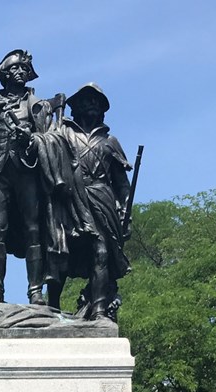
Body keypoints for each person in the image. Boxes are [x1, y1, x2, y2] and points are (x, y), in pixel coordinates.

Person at [0, 50, 52, 305]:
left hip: (27, 172)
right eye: (15, 69)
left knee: (34, 229)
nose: (20, 72)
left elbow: (50, 140)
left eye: (24, 69)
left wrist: (31, 140)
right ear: (5, 75)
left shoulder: (37, 105)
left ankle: (36, 290)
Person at [59, 83, 132, 321]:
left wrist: (125, 212)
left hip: (101, 198)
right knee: (61, 251)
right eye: (86, 100)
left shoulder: (110, 141)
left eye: (96, 101)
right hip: (70, 198)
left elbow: (122, 185)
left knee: (101, 252)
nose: (91, 103)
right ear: (75, 106)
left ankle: (99, 310)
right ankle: (50, 307)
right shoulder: (63, 133)